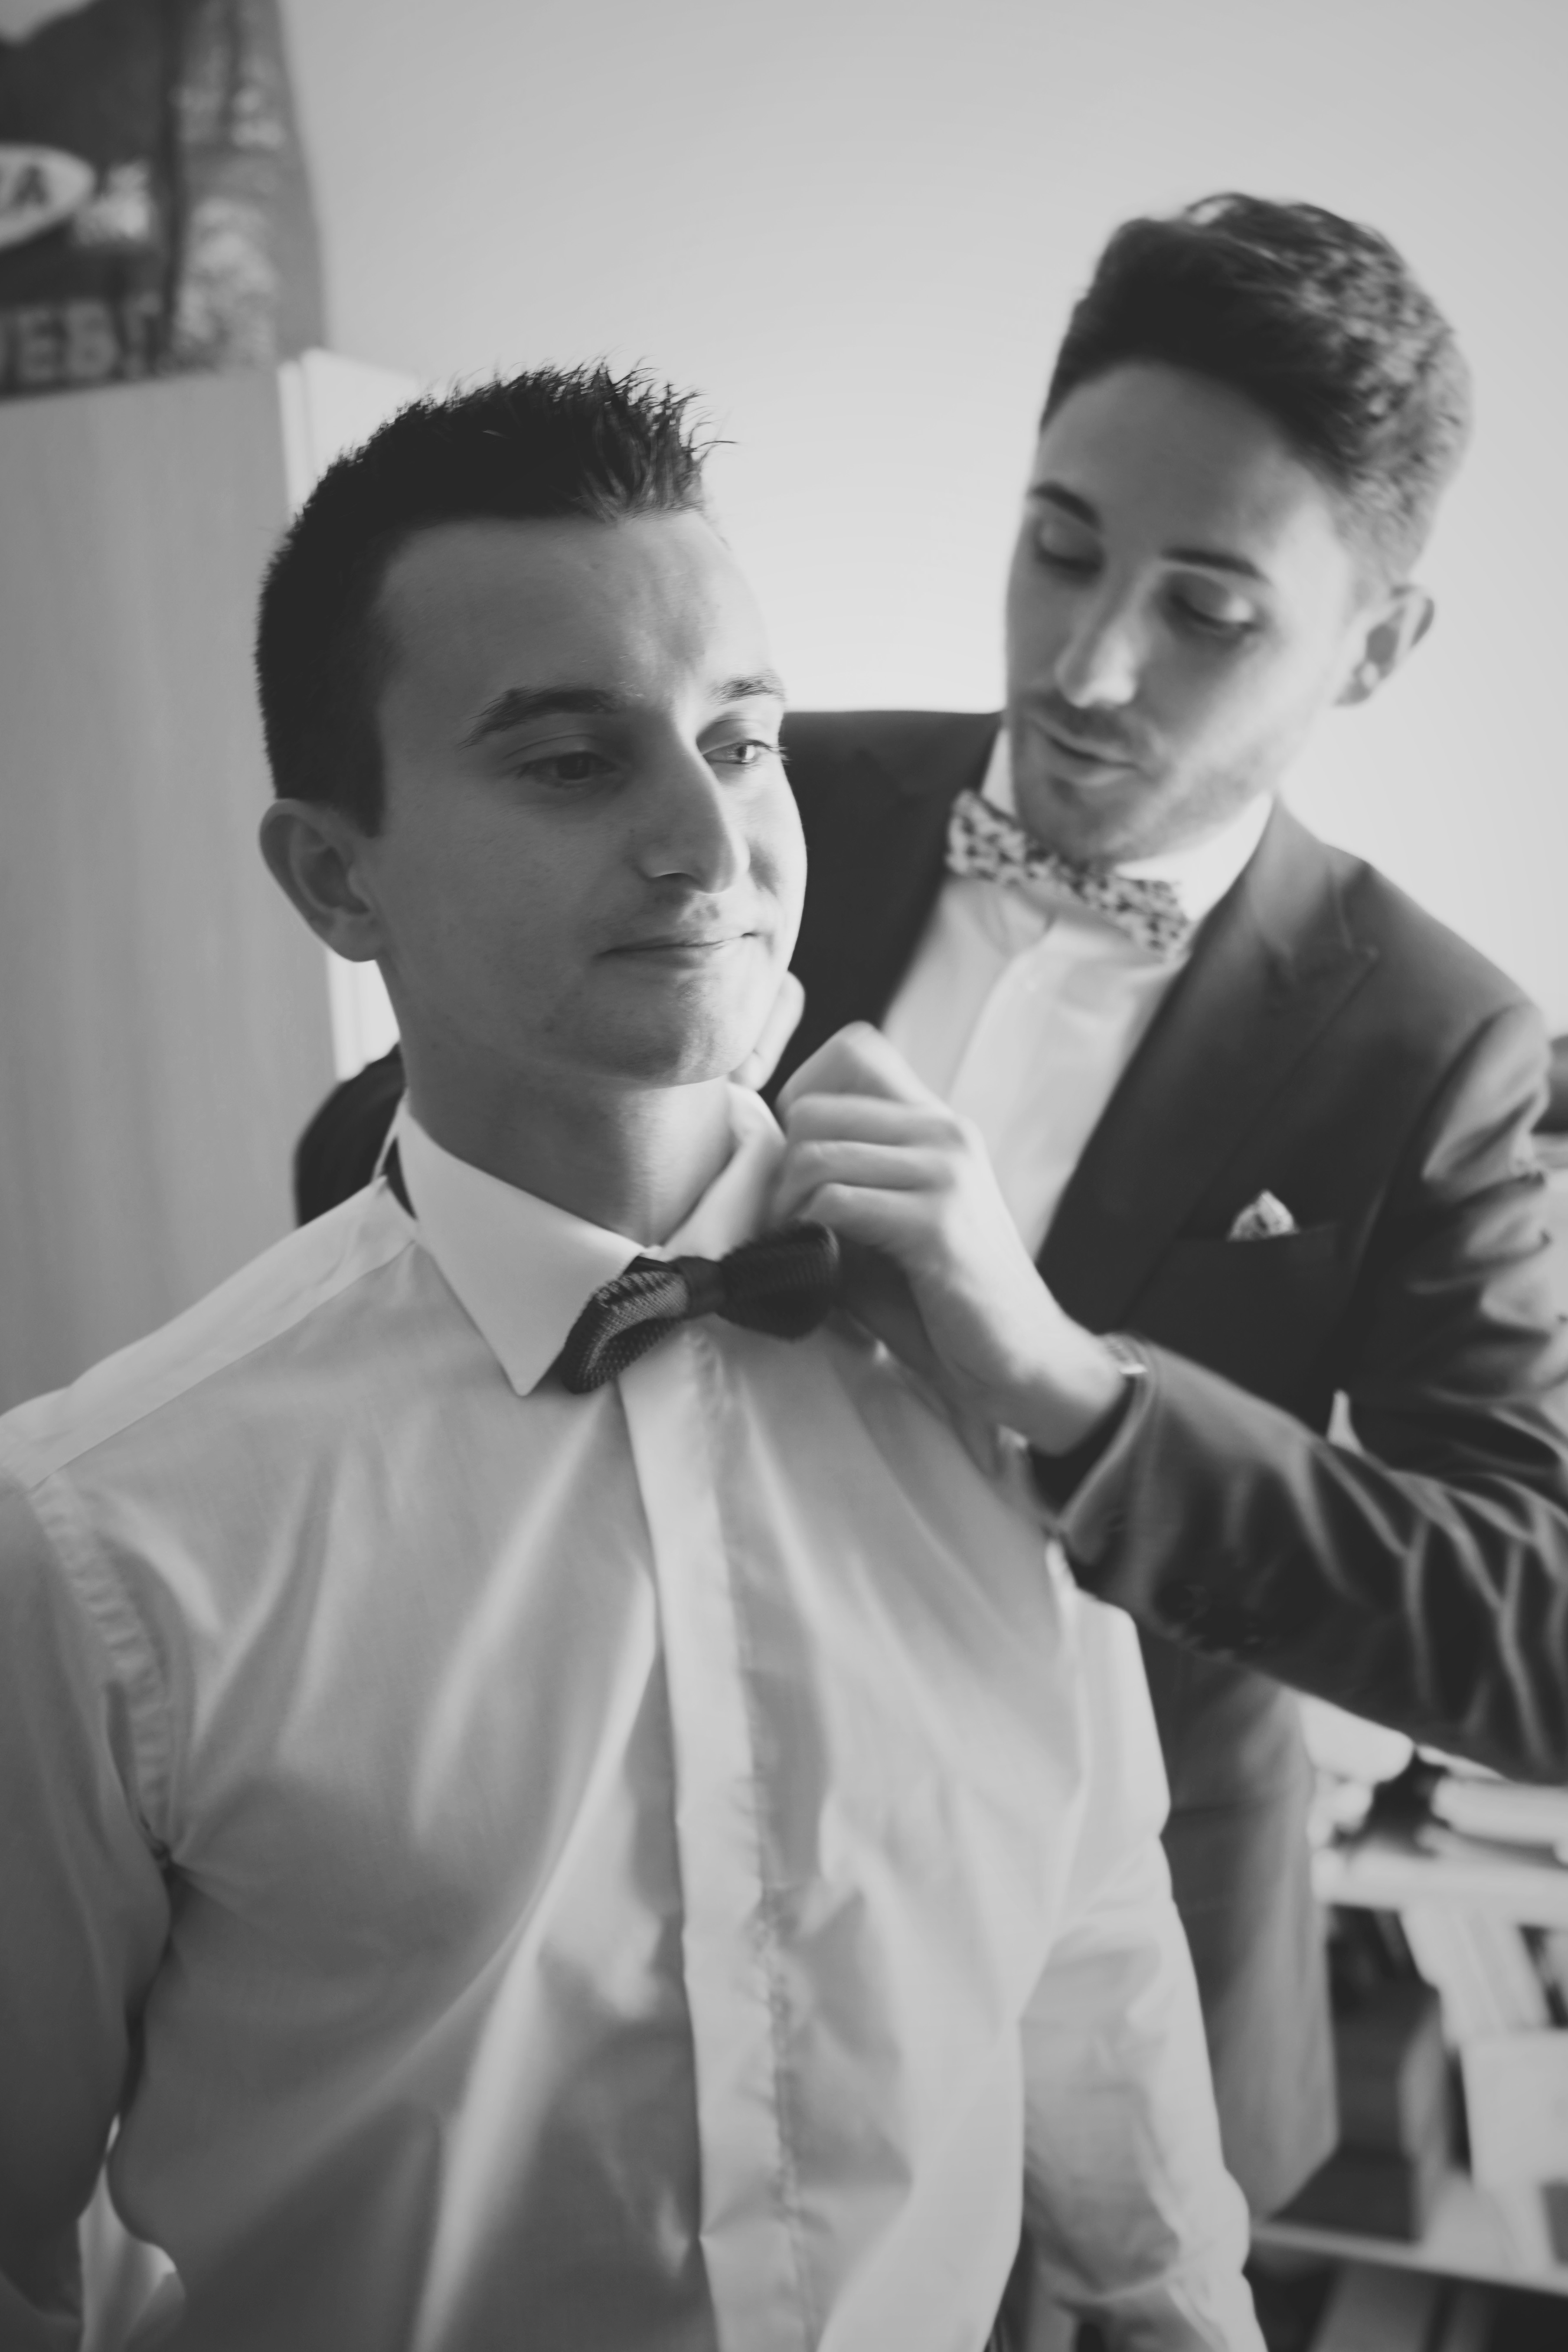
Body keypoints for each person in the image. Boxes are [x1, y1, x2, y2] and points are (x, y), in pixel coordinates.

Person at [295, 197, 1568, 2230]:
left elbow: (1532, 1634)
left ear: (1378, 644)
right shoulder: (750, 796)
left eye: (1208, 609)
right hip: (621, 1919)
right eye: (1060, 547)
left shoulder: (1440, 1045)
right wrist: (632, 1121)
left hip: (1117, 2018)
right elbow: (353, 1158)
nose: (1087, 664)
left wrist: (1075, 1392)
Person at [0, 367, 1262, 2352]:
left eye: (742, 740)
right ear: (337, 875)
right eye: (574, 762)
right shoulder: (95, 1537)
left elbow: (1095, 1968)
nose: (712, 843)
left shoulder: (1002, 1382)